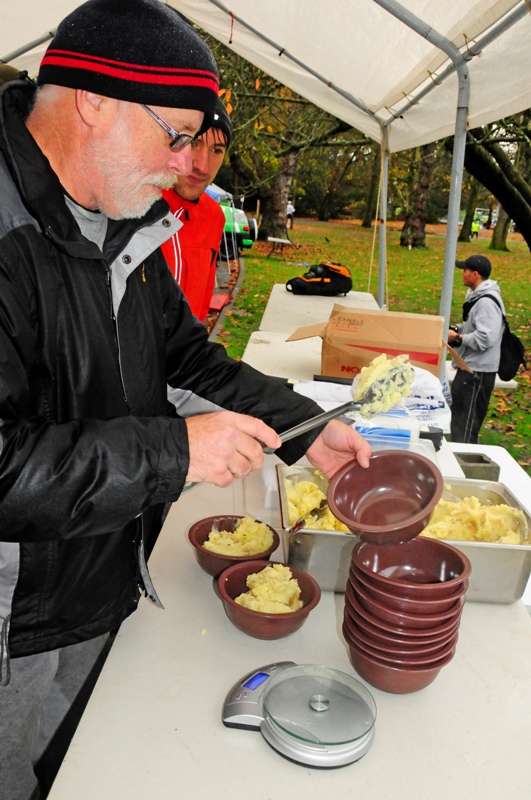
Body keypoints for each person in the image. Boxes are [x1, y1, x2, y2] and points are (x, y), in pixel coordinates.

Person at [0, 2, 370, 798]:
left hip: (99, 568)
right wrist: (176, 449)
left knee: (79, 758)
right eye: (175, 135)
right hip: (12, 617)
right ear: (93, 101)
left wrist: (303, 430)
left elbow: (187, 355)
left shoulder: (117, 218)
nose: (186, 164)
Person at [161, 97, 231, 323]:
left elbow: (202, 303)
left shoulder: (214, 216)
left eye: (217, 150)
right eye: (194, 143)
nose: (202, 165)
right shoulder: (137, 205)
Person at [447, 254, 505, 443]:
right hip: (471, 369)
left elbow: (486, 337)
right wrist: (459, 329)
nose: (462, 274)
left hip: (477, 373)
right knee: (459, 423)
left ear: (475, 275)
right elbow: (477, 329)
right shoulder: (479, 298)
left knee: (465, 427)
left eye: (465, 270)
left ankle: (465, 466)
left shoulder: (486, 302)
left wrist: (458, 337)